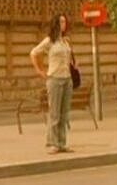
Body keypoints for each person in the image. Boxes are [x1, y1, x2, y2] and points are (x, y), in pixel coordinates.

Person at [30, 13, 75, 154]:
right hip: (55, 79)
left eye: (65, 21)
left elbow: (69, 58)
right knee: (54, 113)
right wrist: (39, 70)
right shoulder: (49, 41)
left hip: (67, 79)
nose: (64, 24)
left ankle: (62, 143)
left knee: (64, 113)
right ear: (56, 24)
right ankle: (53, 143)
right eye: (61, 22)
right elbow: (33, 53)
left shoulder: (65, 41)